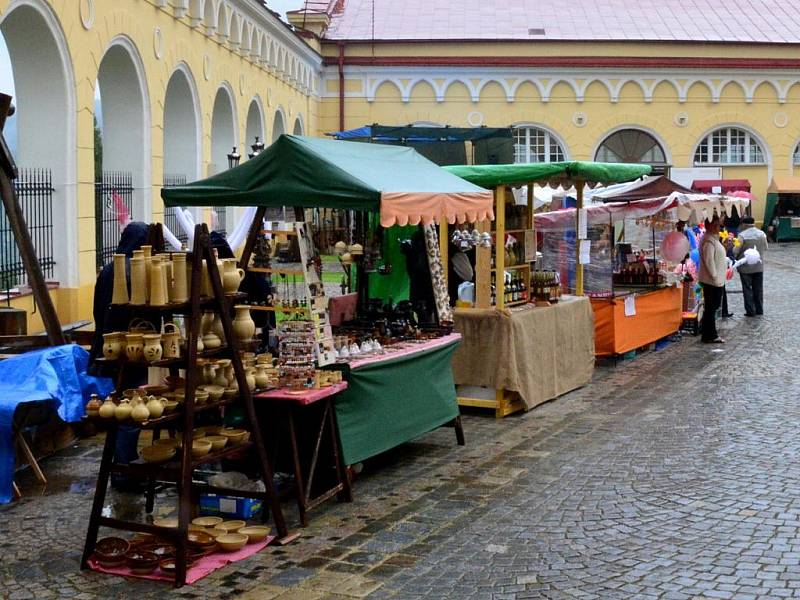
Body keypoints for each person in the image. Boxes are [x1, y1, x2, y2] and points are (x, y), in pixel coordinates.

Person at [89, 222, 150, 491]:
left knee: (120, 405)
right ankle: (124, 471)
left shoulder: (108, 270)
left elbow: (97, 309)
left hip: (108, 345)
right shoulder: (133, 270)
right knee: (130, 409)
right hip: (129, 349)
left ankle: (121, 466)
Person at [698, 215, 728, 344]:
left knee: (712, 307)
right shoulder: (708, 240)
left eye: (718, 224)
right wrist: (715, 276)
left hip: (717, 279)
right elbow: (709, 260)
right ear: (709, 225)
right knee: (711, 307)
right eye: (715, 224)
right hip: (712, 281)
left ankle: (709, 333)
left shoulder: (713, 239)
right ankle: (710, 334)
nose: (718, 227)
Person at [735, 216, 768, 316]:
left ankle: (750, 311)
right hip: (758, 266)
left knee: (747, 288)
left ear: (744, 225)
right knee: (758, 288)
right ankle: (759, 309)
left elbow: (735, 251)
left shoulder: (742, 236)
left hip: (745, 267)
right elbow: (766, 247)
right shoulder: (762, 234)